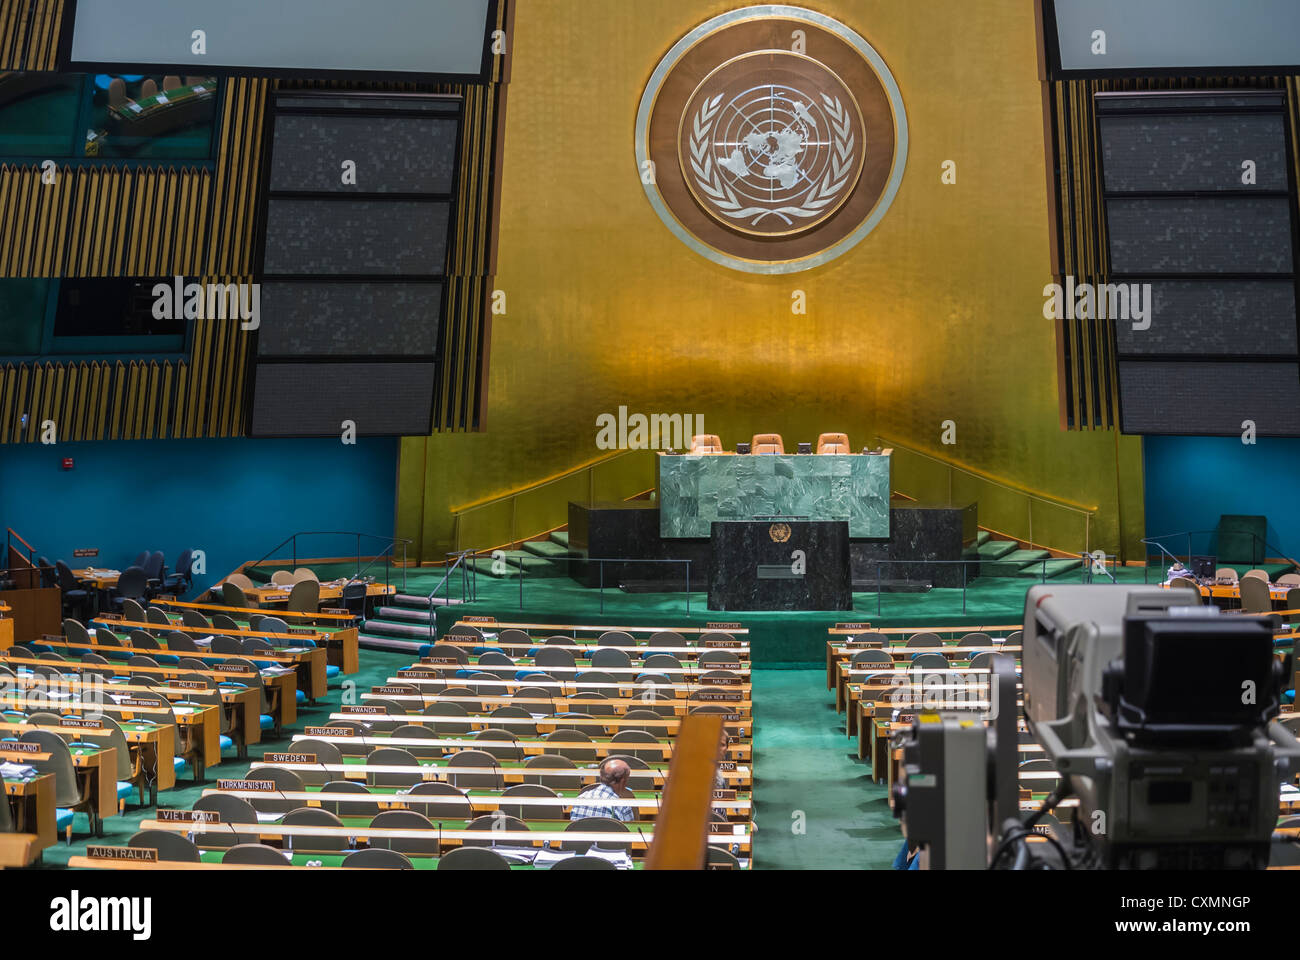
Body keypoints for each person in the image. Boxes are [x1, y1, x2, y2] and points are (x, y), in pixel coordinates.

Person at [570, 757, 634, 822]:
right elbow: (630, 830)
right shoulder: (622, 806)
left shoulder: (580, 799)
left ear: (601, 776)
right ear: (623, 781)